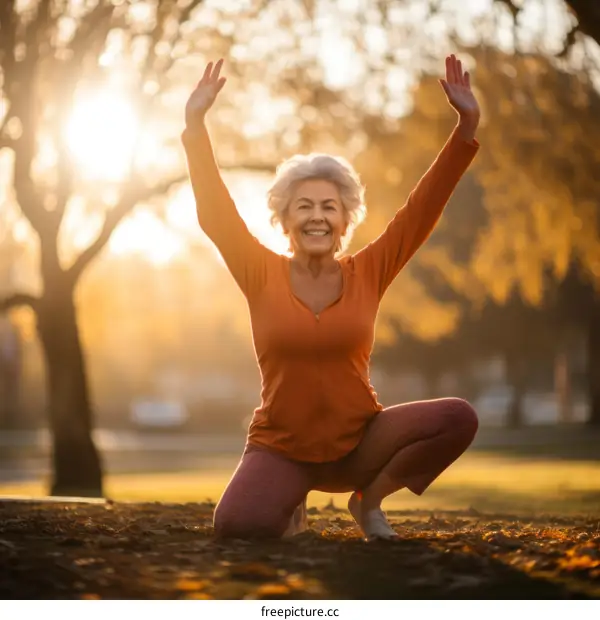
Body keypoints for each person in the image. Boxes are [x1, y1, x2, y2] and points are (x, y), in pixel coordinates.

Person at [181, 54, 480, 541]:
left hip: (361, 442)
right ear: (283, 219)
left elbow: (421, 209)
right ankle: (290, 499)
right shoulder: (259, 271)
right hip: (282, 447)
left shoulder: (370, 270)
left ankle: (368, 501)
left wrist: (465, 128)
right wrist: (195, 128)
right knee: (239, 525)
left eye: (329, 206)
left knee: (457, 417)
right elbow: (215, 213)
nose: (317, 216)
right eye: (304, 206)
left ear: (345, 220)